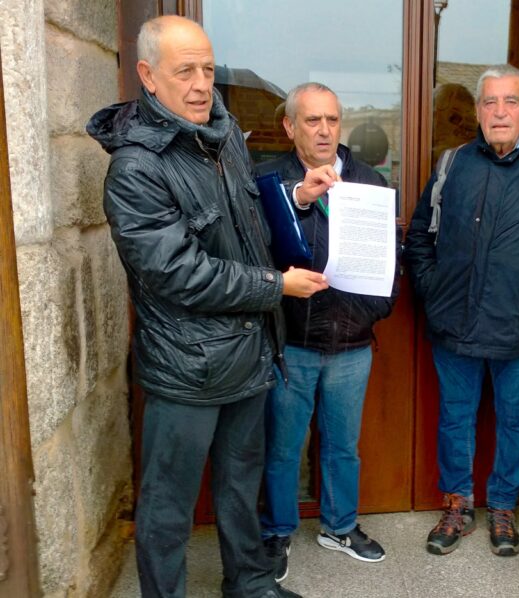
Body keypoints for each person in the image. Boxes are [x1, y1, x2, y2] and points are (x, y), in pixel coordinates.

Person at [86, 16, 328, 598]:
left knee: (241, 487)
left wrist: (295, 198)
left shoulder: (224, 135)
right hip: (187, 366)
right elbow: (177, 272)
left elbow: (245, 222)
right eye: (184, 71)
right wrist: (276, 287)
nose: (201, 85)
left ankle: (250, 584)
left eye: (208, 69)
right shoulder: (136, 167)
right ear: (148, 76)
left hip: (247, 353)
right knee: (167, 503)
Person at [404, 64, 519, 557]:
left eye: (510, 102)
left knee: (515, 423)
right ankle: (457, 505)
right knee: (454, 419)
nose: (500, 112)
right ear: (479, 112)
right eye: (490, 102)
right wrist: (434, 293)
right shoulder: (452, 164)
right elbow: (419, 238)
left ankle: (503, 507)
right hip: (454, 323)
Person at [255, 83, 397, 581]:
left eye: (332, 120)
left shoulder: (368, 181)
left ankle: (339, 527)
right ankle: (276, 532)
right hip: (291, 343)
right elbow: (253, 250)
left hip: (351, 343)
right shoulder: (268, 181)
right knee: (282, 448)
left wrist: (373, 311)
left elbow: (388, 259)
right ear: (290, 126)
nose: (324, 130)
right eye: (312, 120)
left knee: (342, 446)